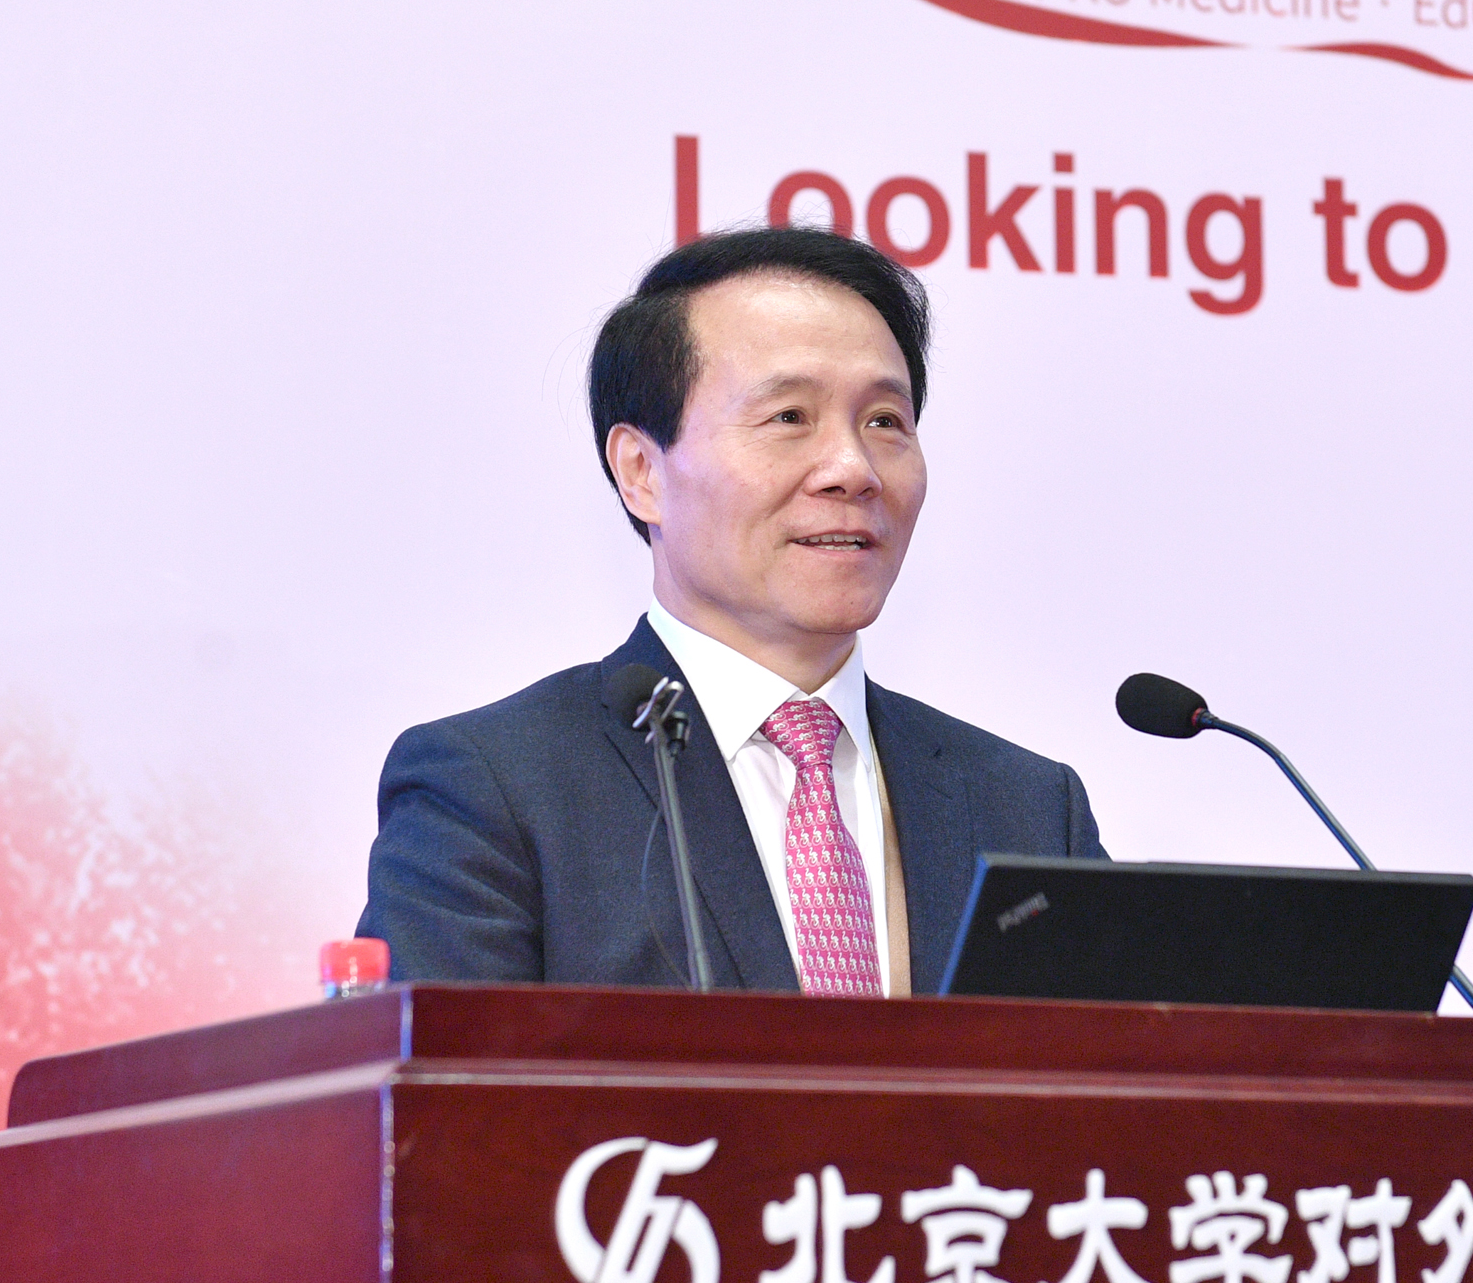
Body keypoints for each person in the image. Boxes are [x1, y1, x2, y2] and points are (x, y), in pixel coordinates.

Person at [358, 227, 1107, 994]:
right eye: (789, 417)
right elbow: (447, 1072)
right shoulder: (497, 791)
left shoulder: (1030, 811)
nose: (853, 469)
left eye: (885, 421)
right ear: (641, 471)